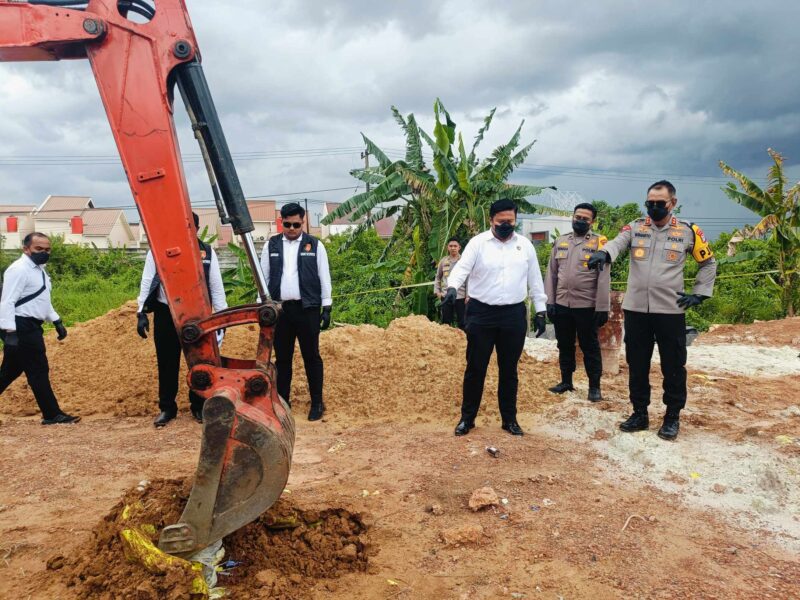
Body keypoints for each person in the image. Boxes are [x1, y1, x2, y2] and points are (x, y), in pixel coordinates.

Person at [588, 180, 717, 440]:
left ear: (672, 203)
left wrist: (700, 294)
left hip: (670, 310)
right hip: (636, 310)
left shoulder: (688, 232)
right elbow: (618, 242)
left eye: (660, 204)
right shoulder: (636, 227)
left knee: (673, 365)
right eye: (650, 203)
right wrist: (605, 254)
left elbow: (708, 263)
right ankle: (639, 413)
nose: (654, 208)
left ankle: (672, 416)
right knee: (637, 364)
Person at [444, 198, 547, 437]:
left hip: (513, 315)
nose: (506, 225)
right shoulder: (478, 243)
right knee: (475, 368)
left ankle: (509, 420)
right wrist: (452, 288)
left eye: (510, 221)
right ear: (491, 220)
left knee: (509, 370)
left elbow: (535, 279)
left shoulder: (525, 246)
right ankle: (467, 419)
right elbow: (461, 269)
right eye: (501, 222)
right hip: (481, 314)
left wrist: (540, 309)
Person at [136, 212, 227, 427]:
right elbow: (147, 280)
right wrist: (141, 312)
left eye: (190, 227)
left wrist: (221, 318)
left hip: (197, 316)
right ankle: (167, 408)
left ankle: (198, 406)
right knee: (166, 362)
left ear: (195, 228)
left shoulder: (207, 252)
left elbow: (216, 287)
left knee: (199, 362)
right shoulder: (158, 250)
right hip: (166, 314)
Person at [260, 202, 332, 421]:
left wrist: (326, 306)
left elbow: (324, 276)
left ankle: (317, 403)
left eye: (296, 224)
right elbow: (263, 277)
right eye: (287, 224)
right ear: (281, 222)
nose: (291, 229)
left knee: (312, 357)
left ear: (303, 222)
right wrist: (263, 306)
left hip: (307, 309)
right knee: (283, 359)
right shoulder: (271, 245)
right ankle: (283, 403)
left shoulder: (315, 245)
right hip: (280, 311)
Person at [0, 233, 79, 424]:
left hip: (30, 324)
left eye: (47, 249)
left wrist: (56, 320)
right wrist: (10, 332)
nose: (44, 253)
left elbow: (41, 300)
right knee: (38, 369)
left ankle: (52, 413)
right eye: (39, 249)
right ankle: (52, 414)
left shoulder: (39, 270)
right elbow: (7, 301)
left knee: (11, 370)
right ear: (26, 249)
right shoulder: (19, 269)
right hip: (21, 325)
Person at [545, 203, 610, 402]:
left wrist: (602, 306)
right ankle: (566, 381)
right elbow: (552, 273)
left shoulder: (600, 244)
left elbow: (604, 277)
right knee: (564, 344)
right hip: (562, 304)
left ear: (592, 222)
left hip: (587, 306)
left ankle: (594, 387)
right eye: (577, 217)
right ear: (572, 217)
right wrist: (550, 301)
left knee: (590, 346)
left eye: (585, 218)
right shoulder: (561, 241)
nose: (580, 221)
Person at [434, 237, 467, 330]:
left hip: (461, 296)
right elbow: (438, 277)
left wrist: (468, 295)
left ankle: (462, 342)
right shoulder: (443, 261)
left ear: (459, 247)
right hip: (445, 295)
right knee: (446, 321)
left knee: (463, 322)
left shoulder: (464, 261)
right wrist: (437, 292)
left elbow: (469, 279)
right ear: (447, 247)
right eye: (451, 246)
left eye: (455, 246)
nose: (453, 248)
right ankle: (446, 342)